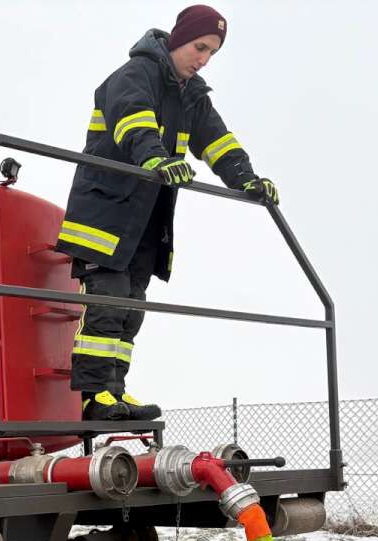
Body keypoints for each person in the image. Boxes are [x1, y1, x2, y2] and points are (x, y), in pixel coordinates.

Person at [55, 5, 278, 421]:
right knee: (108, 304)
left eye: (212, 53)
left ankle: (115, 392)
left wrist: (248, 179)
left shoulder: (192, 97)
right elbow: (134, 124)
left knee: (131, 310)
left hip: (145, 221)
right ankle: (94, 398)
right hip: (105, 215)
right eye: (200, 47)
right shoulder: (133, 75)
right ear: (179, 39)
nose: (204, 59)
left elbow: (218, 143)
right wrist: (156, 159)